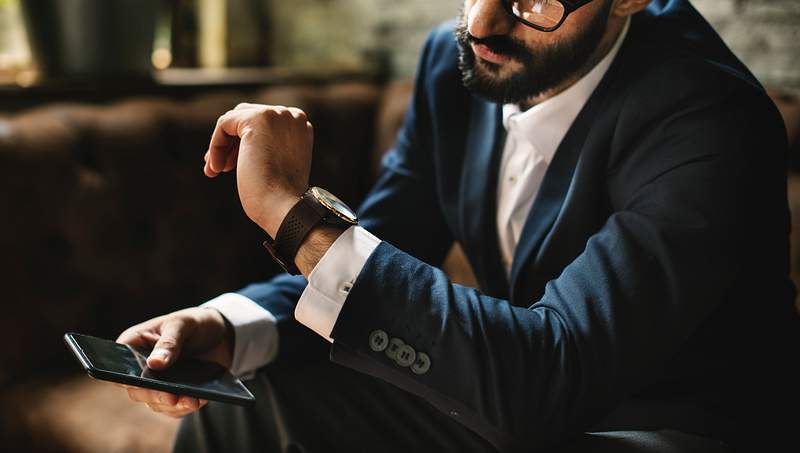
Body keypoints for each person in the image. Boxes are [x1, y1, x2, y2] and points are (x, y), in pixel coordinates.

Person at [116, 0, 800, 451]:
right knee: (244, 402)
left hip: (662, 427)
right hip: (522, 405)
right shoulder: (458, 67)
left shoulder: (710, 119)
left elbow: (554, 369)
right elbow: (369, 255)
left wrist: (291, 215)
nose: (481, 21)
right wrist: (234, 324)